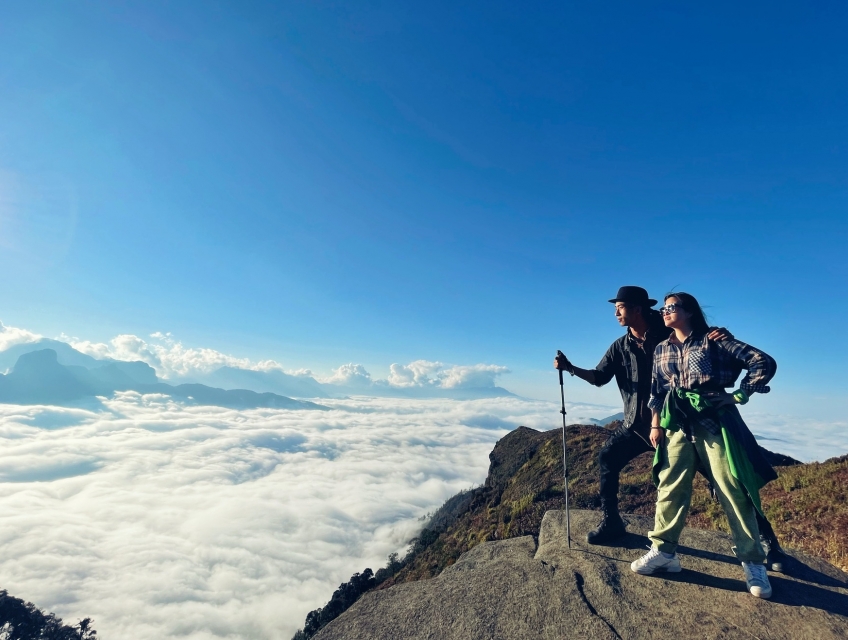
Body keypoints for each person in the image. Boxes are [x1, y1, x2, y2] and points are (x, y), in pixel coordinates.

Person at [554, 286, 785, 569]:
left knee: (727, 481)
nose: (616, 312)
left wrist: (720, 335)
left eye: (621, 306)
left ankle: (768, 544)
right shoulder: (621, 346)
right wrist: (570, 368)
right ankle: (613, 523)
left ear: (638, 309)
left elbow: (699, 340)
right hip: (640, 425)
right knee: (609, 460)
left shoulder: (668, 333)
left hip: (678, 424)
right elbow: (600, 377)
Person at [630, 292, 778, 599]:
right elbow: (656, 391)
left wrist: (738, 395)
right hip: (677, 425)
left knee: (732, 489)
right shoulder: (661, 349)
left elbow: (762, 362)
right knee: (670, 487)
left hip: (714, 422)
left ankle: (753, 562)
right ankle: (664, 552)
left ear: (690, 312)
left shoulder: (714, 340)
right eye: (664, 309)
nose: (665, 312)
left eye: (672, 307)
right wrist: (656, 425)